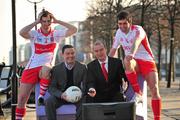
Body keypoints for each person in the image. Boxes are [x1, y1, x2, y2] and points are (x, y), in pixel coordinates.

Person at [16, 9, 77, 120]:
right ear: (40, 21)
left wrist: (58, 21)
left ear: (51, 21)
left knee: (46, 69)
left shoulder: (56, 34)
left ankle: (41, 97)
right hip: (31, 67)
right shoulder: (34, 34)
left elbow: (74, 29)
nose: (46, 24)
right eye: (43, 21)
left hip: (46, 68)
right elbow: (21, 32)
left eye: (48, 21)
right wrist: (35, 22)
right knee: (21, 99)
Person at [109, 10, 161, 120]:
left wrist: (131, 53)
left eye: (124, 23)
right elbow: (113, 50)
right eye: (120, 23)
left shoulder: (138, 29)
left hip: (147, 61)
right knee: (127, 60)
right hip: (133, 63)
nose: (122, 26)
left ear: (130, 23)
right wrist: (105, 65)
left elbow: (136, 41)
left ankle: (157, 118)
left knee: (155, 90)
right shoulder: (118, 33)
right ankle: (138, 93)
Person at [45, 45, 87, 120]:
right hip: (62, 96)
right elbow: (51, 87)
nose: (70, 55)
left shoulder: (82, 67)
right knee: (49, 101)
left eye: (72, 53)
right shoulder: (56, 69)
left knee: (85, 99)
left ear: (75, 54)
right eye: (67, 53)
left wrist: (81, 94)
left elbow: (85, 85)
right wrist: (61, 95)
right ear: (63, 55)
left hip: (77, 96)